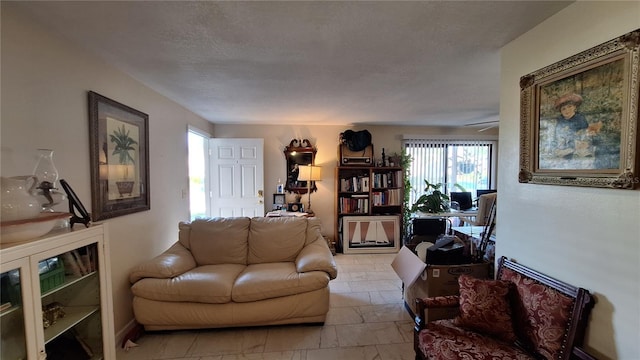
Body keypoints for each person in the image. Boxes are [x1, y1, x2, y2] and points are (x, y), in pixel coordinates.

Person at [553, 93, 589, 158]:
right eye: (563, 109)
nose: (567, 110)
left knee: (582, 147)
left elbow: (584, 131)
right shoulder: (560, 121)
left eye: (569, 106)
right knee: (559, 148)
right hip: (565, 143)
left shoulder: (580, 118)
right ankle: (566, 151)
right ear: (560, 111)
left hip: (578, 142)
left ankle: (577, 152)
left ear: (574, 107)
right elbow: (558, 133)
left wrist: (578, 135)